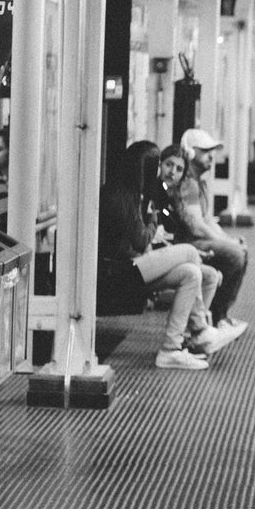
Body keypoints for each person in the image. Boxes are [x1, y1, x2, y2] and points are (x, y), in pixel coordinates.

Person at [97, 140, 235, 370]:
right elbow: (142, 238)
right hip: (119, 270)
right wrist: (152, 221)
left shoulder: (138, 194)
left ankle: (171, 349)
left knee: (191, 274)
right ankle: (200, 329)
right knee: (190, 252)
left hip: (135, 264)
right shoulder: (121, 195)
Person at [173, 129, 249, 339]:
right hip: (187, 244)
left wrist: (230, 240)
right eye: (205, 151)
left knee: (239, 250)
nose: (211, 156)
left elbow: (207, 222)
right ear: (190, 153)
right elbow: (196, 227)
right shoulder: (188, 183)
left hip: (198, 240)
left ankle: (221, 316)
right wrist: (229, 245)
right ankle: (219, 317)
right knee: (234, 255)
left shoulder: (200, 183)